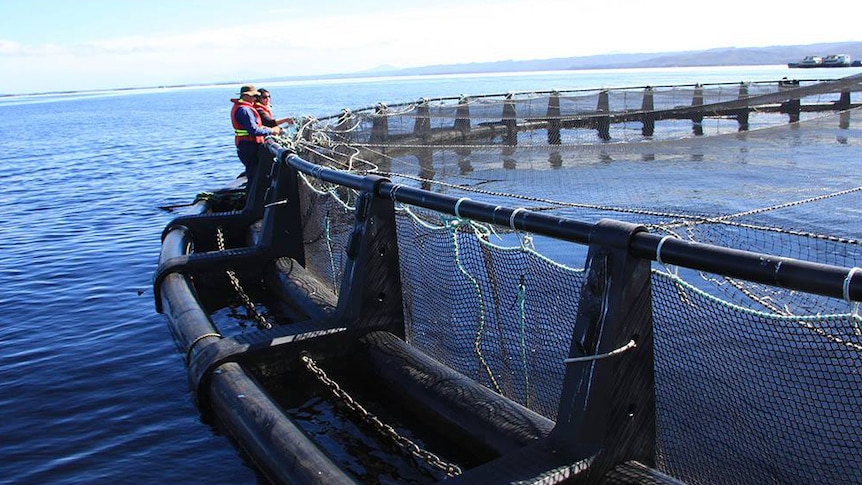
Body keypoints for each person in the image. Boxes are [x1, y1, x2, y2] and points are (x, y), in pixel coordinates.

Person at [230, 84, 281, 183]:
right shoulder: (245, 110)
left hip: (245, 145)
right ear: (246, 96)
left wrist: (264, 128)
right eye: (254, 96)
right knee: (254, 175)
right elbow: (253, 131)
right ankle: (252, 196)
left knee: (254, 173)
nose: (256, 98)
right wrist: (271, 131)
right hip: (249, 146)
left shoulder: (241, 107)